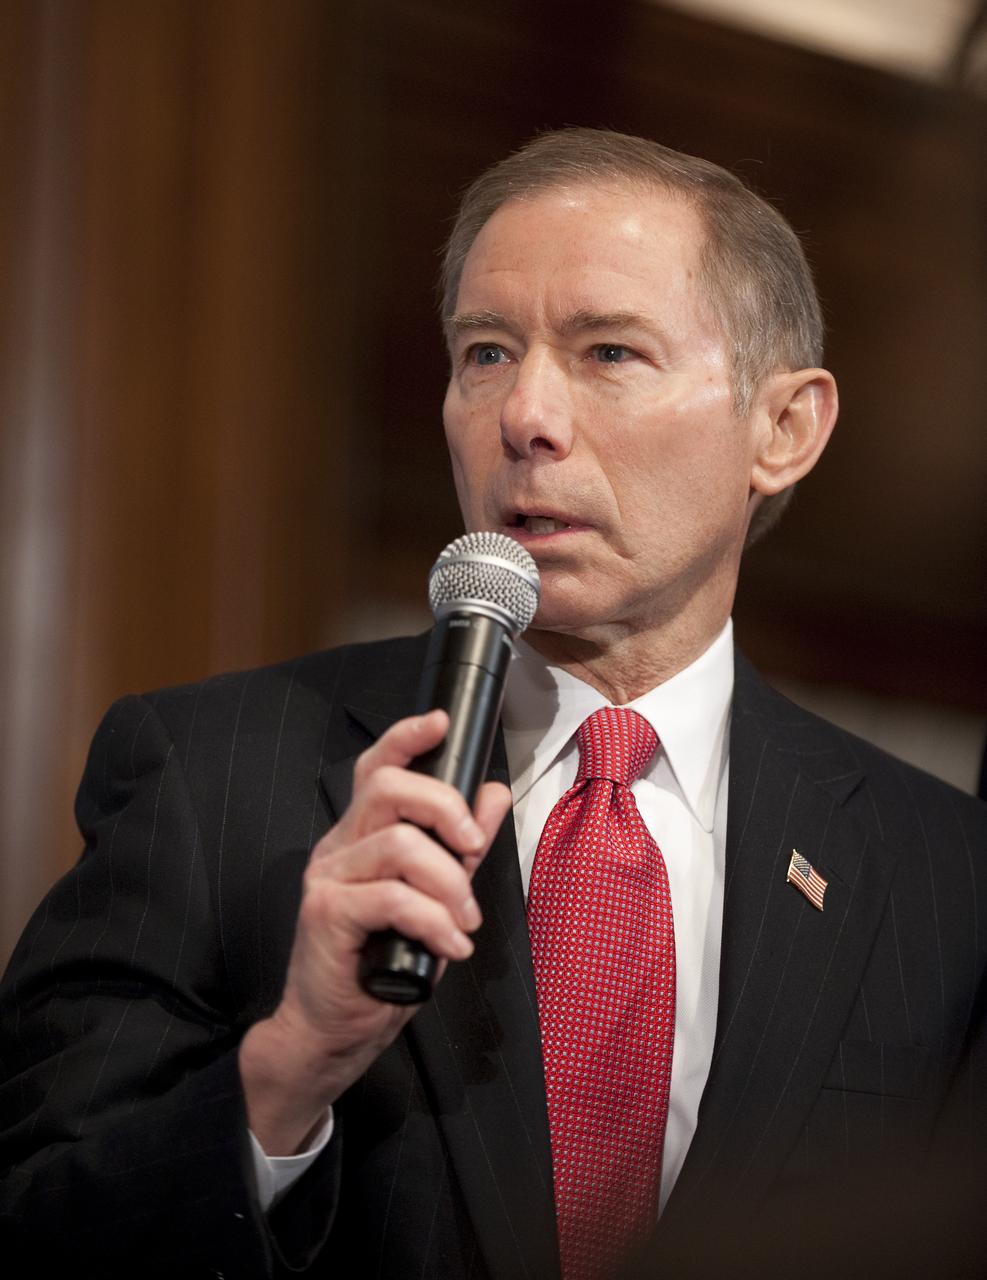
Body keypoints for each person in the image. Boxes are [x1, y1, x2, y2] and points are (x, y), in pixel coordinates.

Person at [1, 128, 985, 1280]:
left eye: (609, 351)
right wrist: (289, 1067)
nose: (526, 416)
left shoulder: (945, 873)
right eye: (484, 353)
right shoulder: (209, 769)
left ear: (784, 428)